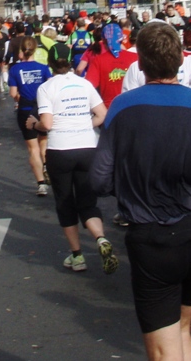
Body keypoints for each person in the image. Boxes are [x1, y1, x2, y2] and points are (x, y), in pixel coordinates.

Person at [90, 22, 191, 361]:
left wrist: (132, 178)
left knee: (164, 350)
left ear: (141, 64)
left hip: (153, 237)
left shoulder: (121, 107)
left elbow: (100, 180)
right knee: (181, 330)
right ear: (180, 60)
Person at [29, 43, 117, 274]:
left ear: (50, 62)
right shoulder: (84, 83)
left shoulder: (47, 87)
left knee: (65, 202)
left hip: (61, 149)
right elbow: (103, 114)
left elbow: (46, 124)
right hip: (88, 147)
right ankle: (100, 238)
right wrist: (83, 125)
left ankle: (77, 256)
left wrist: (33, 124)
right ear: (71, 62)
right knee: (88, 202)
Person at [8, 37, 52, 196]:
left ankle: (41, 184)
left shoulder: (14, 70)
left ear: (22, 50)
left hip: (25, 110)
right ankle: (47, 165)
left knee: (32, 148)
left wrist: (21, 96)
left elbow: (13, 93)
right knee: (44, 143)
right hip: (43, 109)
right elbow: (51, 89)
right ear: (35, 50)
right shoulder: (44, 68)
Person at [85, 22, 138, 109]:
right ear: (121, 39)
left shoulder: (98, 60)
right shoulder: (135, 58)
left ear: (104, 40)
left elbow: (89, 87)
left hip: (109, 109)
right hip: (132, 107)